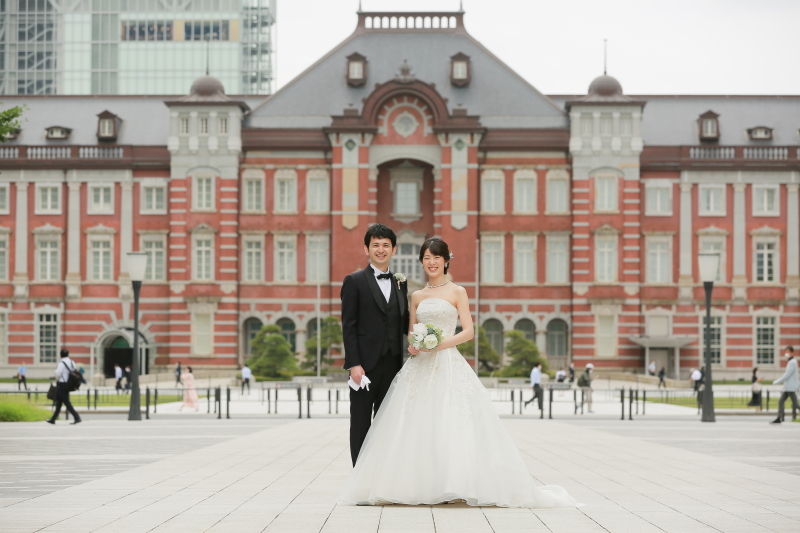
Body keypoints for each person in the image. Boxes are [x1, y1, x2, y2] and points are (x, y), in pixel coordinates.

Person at [339, 237, 577, 508]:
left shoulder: (458, 291)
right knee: (415, 425)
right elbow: (411, 330)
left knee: (450, 420)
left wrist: (439, 344)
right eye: (426, 258)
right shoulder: (415, 295)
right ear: (421, 262)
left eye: (436, 257)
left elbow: (469, 331)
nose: (431, 262)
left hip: (448, 362)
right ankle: (415, 484)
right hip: (420, 365)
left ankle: (453, 485)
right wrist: (415, 344)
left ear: (445, 260)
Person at [341, 224, 409, 466]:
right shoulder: (354, 281)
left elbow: (403, 320)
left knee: (386, 422)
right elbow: (348, 325)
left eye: (386, 245)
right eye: (376, 245)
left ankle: (381, 474)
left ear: (394, 250)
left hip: (393, 365)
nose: (381, 249)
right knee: (360, 423)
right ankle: (359, 476)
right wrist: (354, 364)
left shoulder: (400, 282)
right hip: (364, 368)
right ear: (366, 249)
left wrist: (424, 336)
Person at [46, 349, 81, 425]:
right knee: (59, 402)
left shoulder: (61, 363)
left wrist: (56, 374)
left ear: (60, 355)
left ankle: (77, 417)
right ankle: (53, 419)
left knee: (66, 402)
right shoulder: (72, 362)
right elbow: (74, 370)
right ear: (68, 355)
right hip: (69, 384)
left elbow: (58, 374)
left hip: (62, 384)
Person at [770, 346, 799, 424]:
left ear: (792, 353)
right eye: (786, 352)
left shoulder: (792, 362)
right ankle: (779, 418)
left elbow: (787, 375)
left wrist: (776, 382)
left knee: (796, 404)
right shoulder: (791, 362)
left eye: (788, 352)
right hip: (788, 387)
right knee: (781, 401)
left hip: (791, 387)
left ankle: (779, 418)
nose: (786, 354)